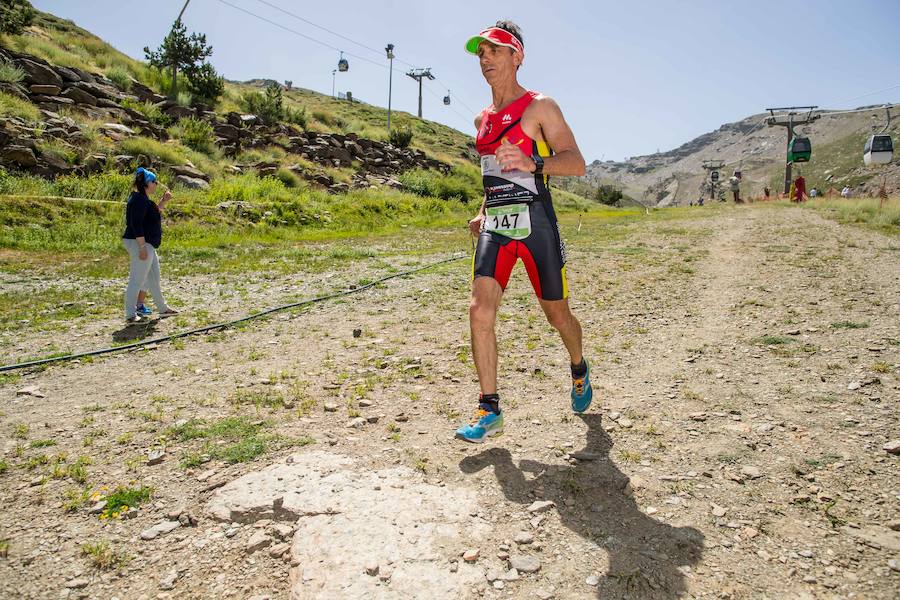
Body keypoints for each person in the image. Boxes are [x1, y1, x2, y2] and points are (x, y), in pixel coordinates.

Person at [455, 21, 592, 443]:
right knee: (479, 310)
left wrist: (534, 163)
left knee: (557, 315)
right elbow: (494, 175)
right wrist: (482, 211)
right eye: (481, 53)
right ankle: (489, 408)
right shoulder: (481, 119)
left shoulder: (540, 107)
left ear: (517, 57)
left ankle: (578, 366)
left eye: (494, 51)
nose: (485, 59)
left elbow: (576, 162)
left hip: (537, 225)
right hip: (497, 226)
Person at [122, 167, 177, 323]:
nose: (156, 184)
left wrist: (164, 201)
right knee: (137, 279)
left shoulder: (144, 200)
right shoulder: (138, 200)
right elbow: (136, 225)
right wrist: (142, 247)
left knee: (154, 278)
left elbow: (153, 214)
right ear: (146, 183)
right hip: (140, 243)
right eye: (154, 181)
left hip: (147, 244)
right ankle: (130, 314)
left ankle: (162, 308)